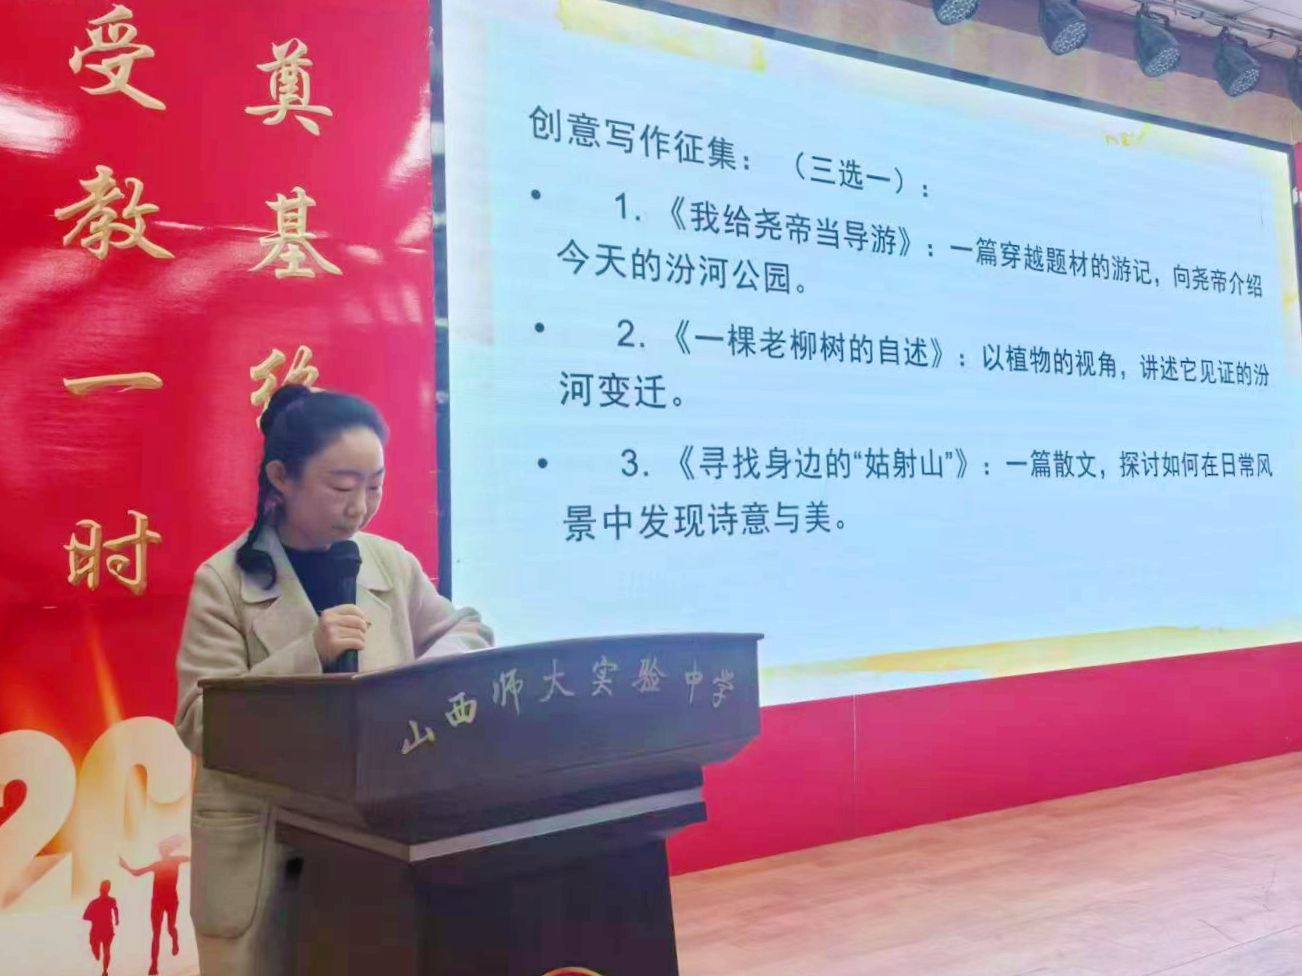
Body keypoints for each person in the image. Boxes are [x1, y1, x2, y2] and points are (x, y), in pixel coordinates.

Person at [174, 385, 493, 976]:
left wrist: (419, 684)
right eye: (342, 487)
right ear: (281, 478)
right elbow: (199, 721)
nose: (360, 507)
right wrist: (309, 653)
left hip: (374, 843)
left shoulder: (387, 562)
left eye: (375, 485)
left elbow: (468, 630)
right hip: (264, 847)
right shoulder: (223, 581)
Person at [119, 836, 189, 975]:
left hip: (170, 900)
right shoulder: (157, 865)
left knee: (170, 928)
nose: (162, 852)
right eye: (161, 850)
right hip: (158, 901)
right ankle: (154, 965)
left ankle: (174, 939)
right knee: (156, 934)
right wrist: (125, 866)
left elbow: (192, 857)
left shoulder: (176, 860)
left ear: (168, 850)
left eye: (164, 849)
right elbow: (137, 873)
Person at [82, 880, 119, 976]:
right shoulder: (95, 903)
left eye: (106, 888)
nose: (104, 890)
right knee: (102, 949)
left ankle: (105, 971)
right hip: (101, 929)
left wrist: (116, 919)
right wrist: (116, 919)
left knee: (106, 950)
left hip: (104, 930)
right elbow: (85, 916)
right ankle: (103, 966)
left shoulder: (109, 901)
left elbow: (115, 909)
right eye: (104, 887)